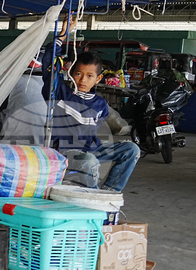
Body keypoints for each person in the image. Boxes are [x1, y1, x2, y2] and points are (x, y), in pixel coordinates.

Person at [42, 37, 140, 192]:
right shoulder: (61, 94)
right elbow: (49, 69)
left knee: (131, 150)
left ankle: (109, 192)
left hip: (91, 150)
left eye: (89, 76)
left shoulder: (100, 105)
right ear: (71, 73)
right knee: (90, 161)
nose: (83, 80)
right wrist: (59, 39)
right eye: (78, 74)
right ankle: (93, 196)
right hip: (65, 152)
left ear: (98, 78)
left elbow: (95, 128)